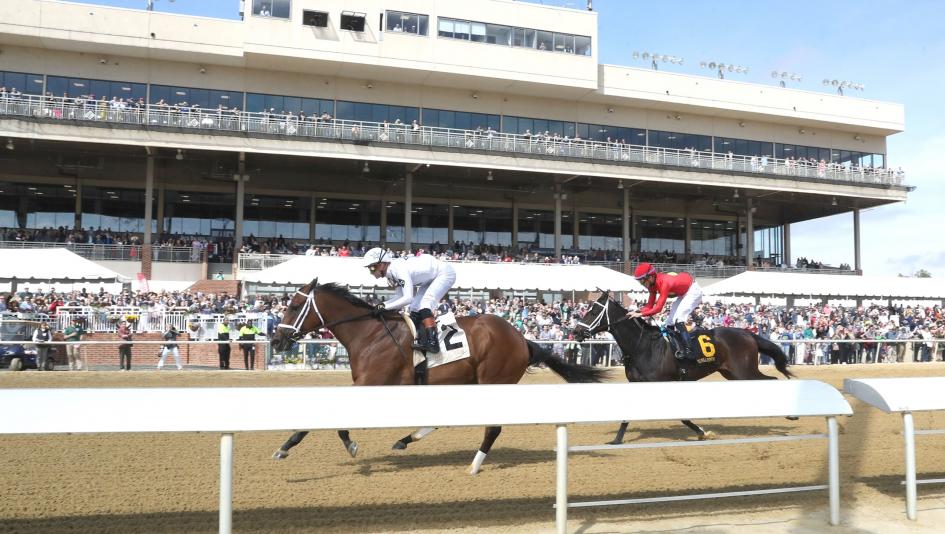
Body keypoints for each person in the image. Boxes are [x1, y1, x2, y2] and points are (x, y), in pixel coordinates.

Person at [362, 247, 457, 354]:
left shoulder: (398, 269)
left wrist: (384, 307)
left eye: (372, 268)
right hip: (431, 277)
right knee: (414, 307)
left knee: (425, 304)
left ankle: (433, 342)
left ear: (382, 264)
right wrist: (381, 305)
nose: (371, 272)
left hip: (444, 273)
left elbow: (407, 298)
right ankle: (419, 338)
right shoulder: (392, 272)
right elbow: (399, 297)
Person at [626, 262, 703, 360]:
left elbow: (658, 308)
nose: (642, 284)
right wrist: (636, 312)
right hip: (683, 293)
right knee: (669, 322)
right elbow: (649, 306)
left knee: (678, 319)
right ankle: (673, 348)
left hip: (693, 291)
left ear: (650, 277)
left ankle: (690, 350)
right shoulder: (652, 285)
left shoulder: (664, 283)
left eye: (642, 281)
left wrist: (640, 314)